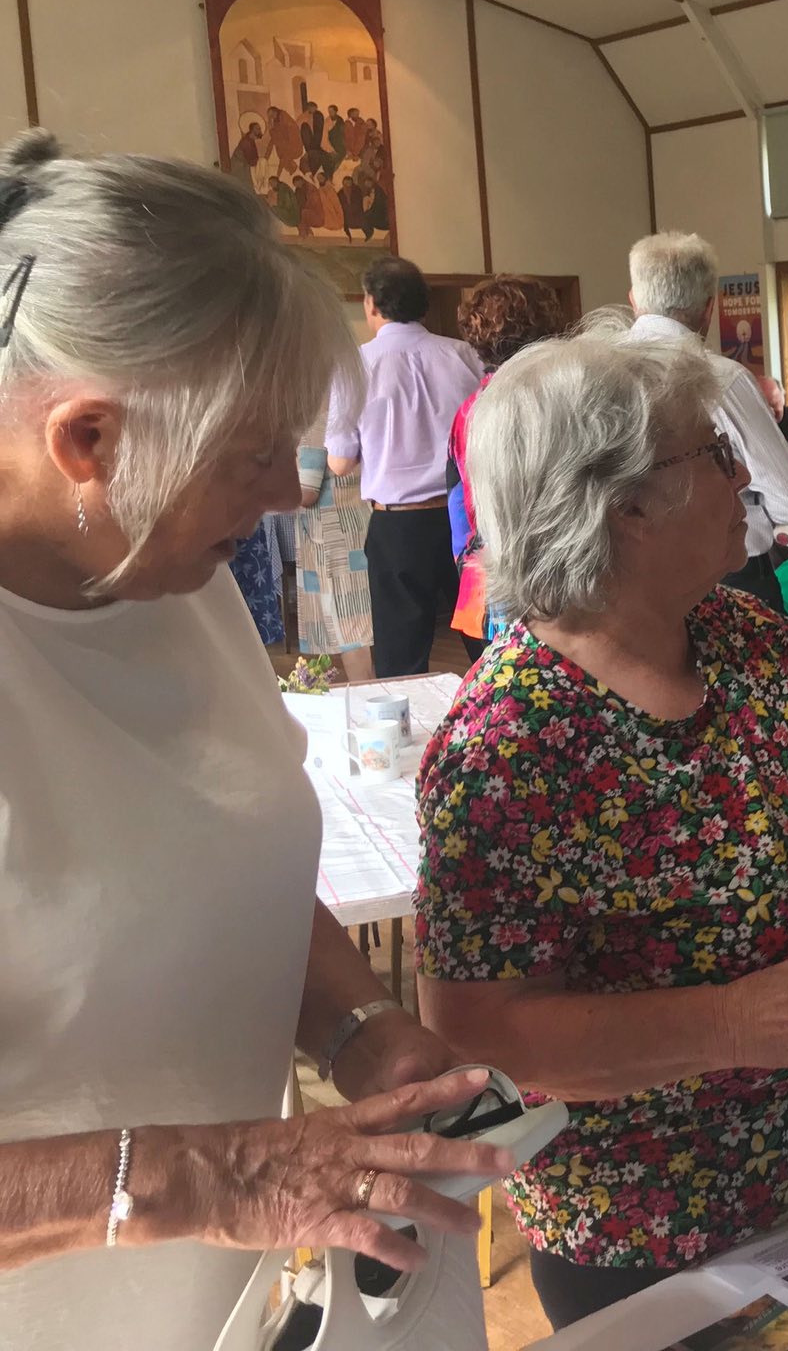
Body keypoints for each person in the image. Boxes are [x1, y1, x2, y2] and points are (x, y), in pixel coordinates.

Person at [0, 130, 513, 1347]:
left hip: (230, 1305)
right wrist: (210, 1177)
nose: (295, 490)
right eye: (252, 454)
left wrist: (359, 1026)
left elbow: (226, 866)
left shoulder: (176, 583)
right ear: (88, 442)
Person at [412, 333, 788, 1329]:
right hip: (648, 1251)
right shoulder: (511, 744)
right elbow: (473, 1037)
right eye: (710, 453)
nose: (747, 470)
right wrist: (738, 1022)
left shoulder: (742, 638)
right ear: (622, 505)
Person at [624, 230, 788, 613]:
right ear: (710, 308)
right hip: (726, 580)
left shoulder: (594, 374)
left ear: (633, 300)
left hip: (628, 581)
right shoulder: (722, 379)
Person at [325, 254, 481, 675]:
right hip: (465, 519)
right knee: (486, 647)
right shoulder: (464, 355)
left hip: (397, 527)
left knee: (400, 658)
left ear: (371, 303)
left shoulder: (354, 365)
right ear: (423, 305)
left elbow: (339, 463)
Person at [445, 274, 567, 660]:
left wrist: (469, 566)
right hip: (563, 585)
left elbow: (456, 503)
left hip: (488, 589)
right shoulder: (566, 399)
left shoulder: (469, 411)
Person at [294, 428, 374, 682]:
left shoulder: (314, 423)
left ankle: (367, 702)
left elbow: (307, 492)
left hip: (332, 537)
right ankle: (374, 696)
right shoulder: (348, 409)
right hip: (357, 525)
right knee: (358, 627)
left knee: (350, 632)